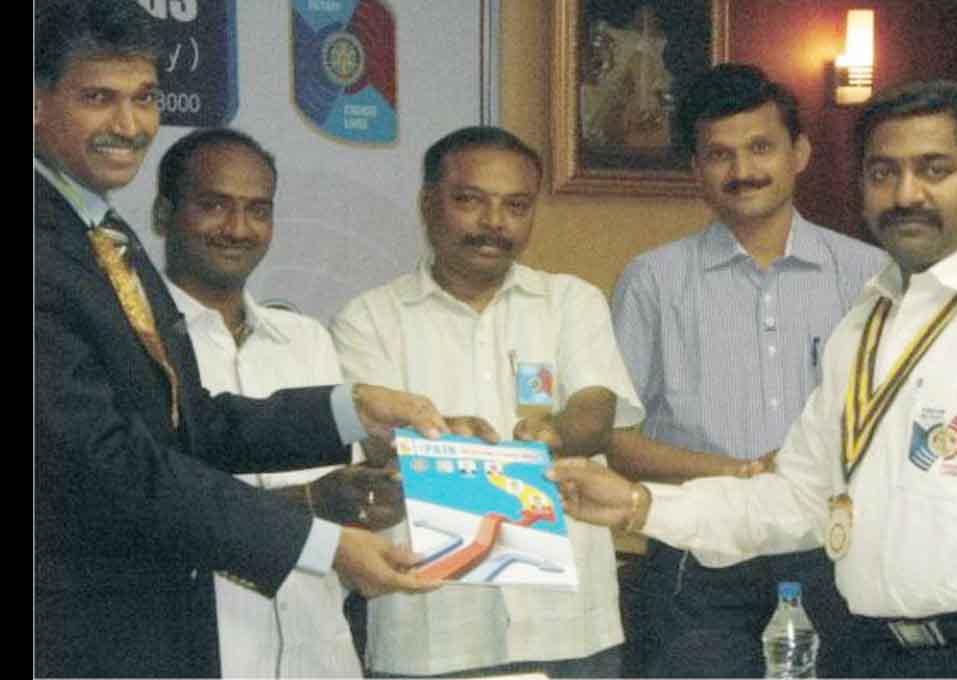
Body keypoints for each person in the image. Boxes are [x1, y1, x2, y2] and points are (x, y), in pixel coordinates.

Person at [34, 2, 453, 676]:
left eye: (144, 98)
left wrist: (352, 408)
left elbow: (190, 423)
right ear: (37, 101)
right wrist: (322, 543)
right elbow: (109, 465)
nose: (129, 126)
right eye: (97, 98)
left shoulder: (103, 234)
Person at [552, 78, 957, 679]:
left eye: (934, 170)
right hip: (872, 652)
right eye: (883, 173)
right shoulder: (866, 322)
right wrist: (639, 505)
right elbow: (799, 498)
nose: (905, 194)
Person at [330, 126, 646, 678]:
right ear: (429, 204)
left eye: (516, 206)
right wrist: (438, 437)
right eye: (470, 201)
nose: (494, 223)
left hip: (568, 627)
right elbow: (373, 445)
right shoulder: (369, 318)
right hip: (431, 629)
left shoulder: (571, 301)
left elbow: (596, 410)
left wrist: (556, 432)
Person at [608, 63, 889, 677]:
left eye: (761, 147)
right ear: (696, 169)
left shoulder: (870, 275)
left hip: (834, 551)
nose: (743, 170)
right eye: (720, 154)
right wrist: (738, 472)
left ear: (800, 153)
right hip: (697, 558)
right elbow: (618, 442)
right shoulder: (654, 280)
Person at [153, 127, 404, 677]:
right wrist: (310, 504)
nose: (238, 228)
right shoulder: (140, 344)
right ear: (163, 214)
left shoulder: (306, 339)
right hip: (205, 655)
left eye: (258, 210)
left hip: (321, 654)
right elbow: (158, 510)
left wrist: (385, 490)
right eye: (214, 205)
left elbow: (346, 502)